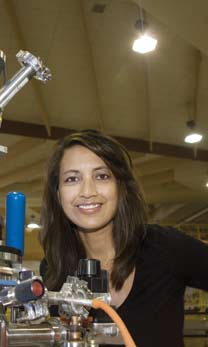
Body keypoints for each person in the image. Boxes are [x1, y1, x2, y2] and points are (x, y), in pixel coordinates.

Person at [39, 129, 208, 347]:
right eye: (72, 178)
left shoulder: (165, 248)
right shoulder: (54, 269)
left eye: (102, 176)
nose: (88, 191)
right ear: (58, 193)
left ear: (121, 187)